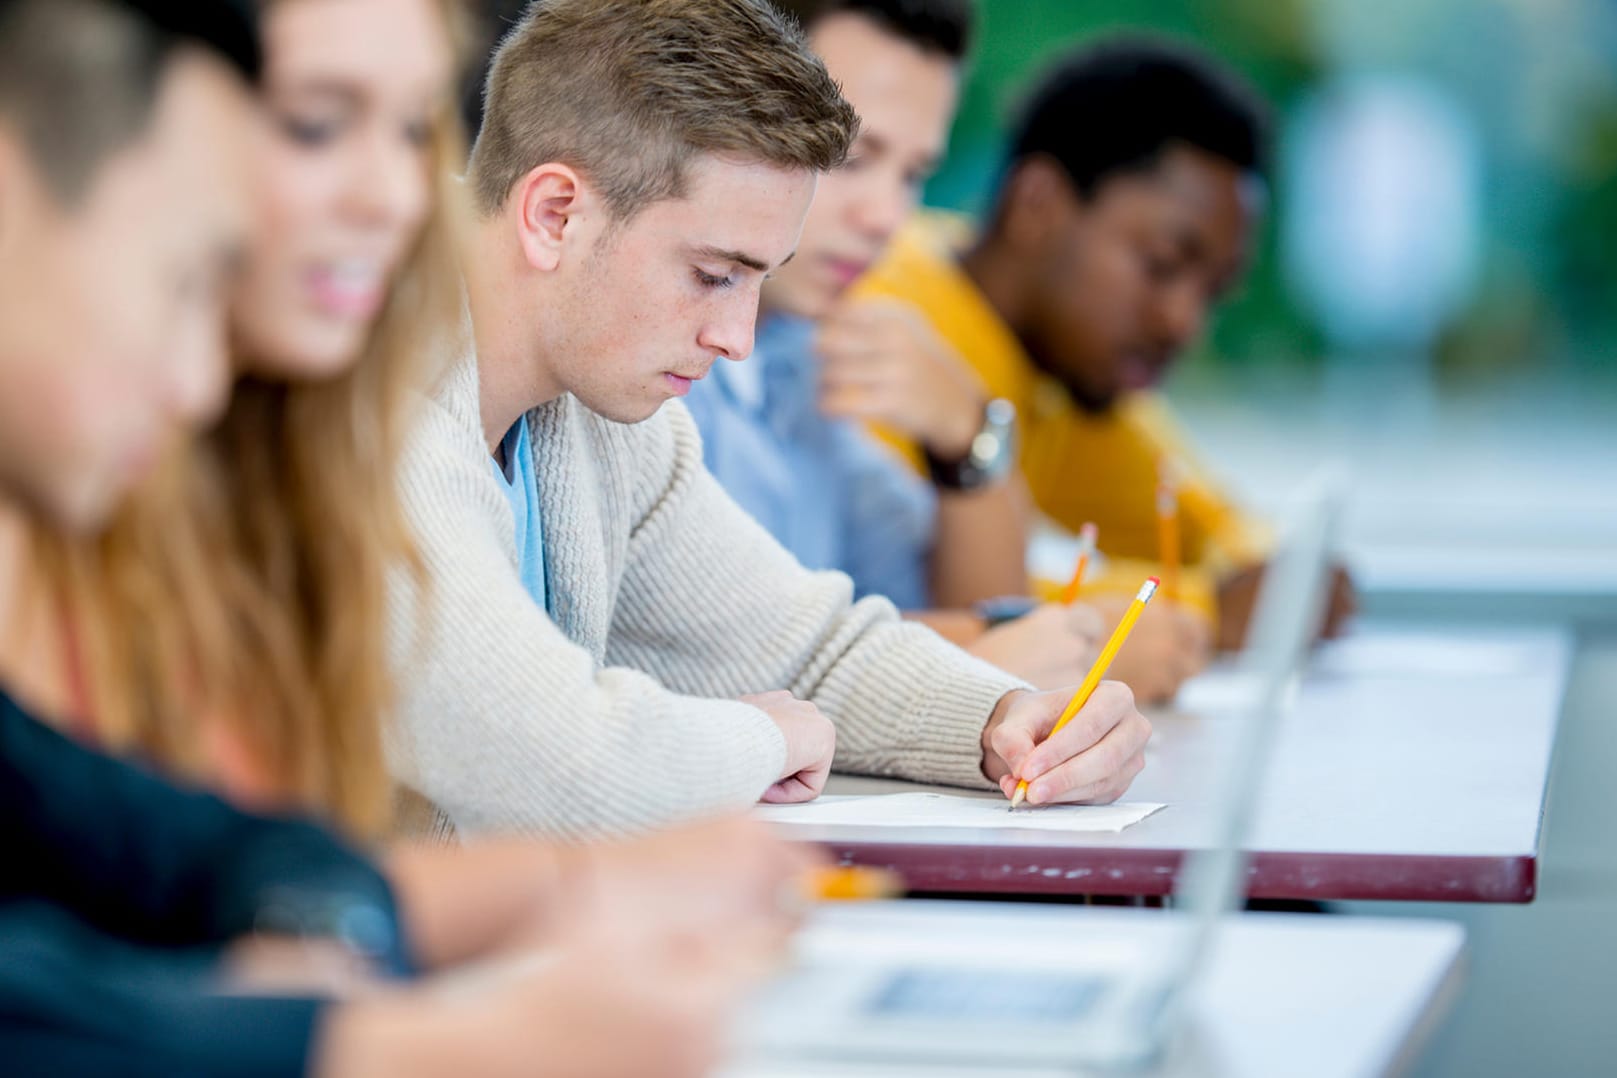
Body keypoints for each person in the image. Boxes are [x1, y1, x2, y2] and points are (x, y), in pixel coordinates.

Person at [0, 2, 807, 1074]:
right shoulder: (80, 483)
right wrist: (425, 1039)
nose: (392, 194)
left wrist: (546, 901)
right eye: (315, 121)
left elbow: (192, 860)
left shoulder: (307, 456)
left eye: (412, 126)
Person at [391, 0, 1151, 842]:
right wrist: (762, 738)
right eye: (714, 274)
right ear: (554, 215)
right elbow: (564, 764)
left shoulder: (606, 410)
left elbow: (805, 650)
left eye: (760, 281)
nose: (739, 340)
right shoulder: (377, 405)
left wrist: (1010, 720)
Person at [685, 0, 1200, 701]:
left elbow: (957, 599)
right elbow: (695, 657)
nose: (886, 217)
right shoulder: (657, 367)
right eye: (851, 159)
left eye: (910, 175)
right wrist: (1005, 650)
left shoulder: (802, 354)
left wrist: (966, 437)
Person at [855, 35, 1355, 650]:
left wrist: (1275, 584)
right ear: (1038, 204)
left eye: (1214, 291)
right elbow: (917, 606)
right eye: (1162, 265)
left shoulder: (1064, 370)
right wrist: (1211, 611)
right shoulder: (882, 321)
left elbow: (1220, 534)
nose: (1185, 323)